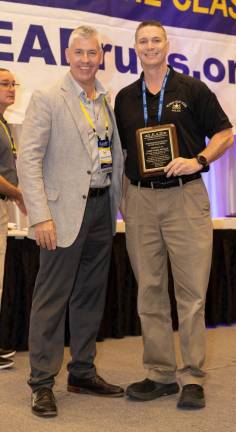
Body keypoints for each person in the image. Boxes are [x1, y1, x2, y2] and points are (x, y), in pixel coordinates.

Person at [114, 20, 233, 409]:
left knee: (192, 294)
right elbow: (122, 154)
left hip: (185, 197)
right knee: (149, 291)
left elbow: (225, 134)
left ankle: (192, 377)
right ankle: (160, 374)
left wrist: (197, 160)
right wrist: (122, 197)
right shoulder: (125, 97)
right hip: (141, 201)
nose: (150, 46)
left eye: (156, 40)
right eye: (143, 41)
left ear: (168, 45)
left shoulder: (193, 89)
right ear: (136, 49)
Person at [17, 25, 124, 417]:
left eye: (91, 53)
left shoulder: (105, 100)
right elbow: (27, 159)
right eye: (78, 52)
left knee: (90, 296)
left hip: (99, 211)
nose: (85, 59)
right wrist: (41, 215)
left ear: (100, 56)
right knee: (51, 298)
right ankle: (41, 383)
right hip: (60, 215)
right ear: (68, 54)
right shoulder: (48, 97)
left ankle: (82, 371)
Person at [0, 68, 26, 370]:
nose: (11, 89)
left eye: (12, 84)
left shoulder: (4, 124)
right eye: (4, 84)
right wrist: (18, 194)